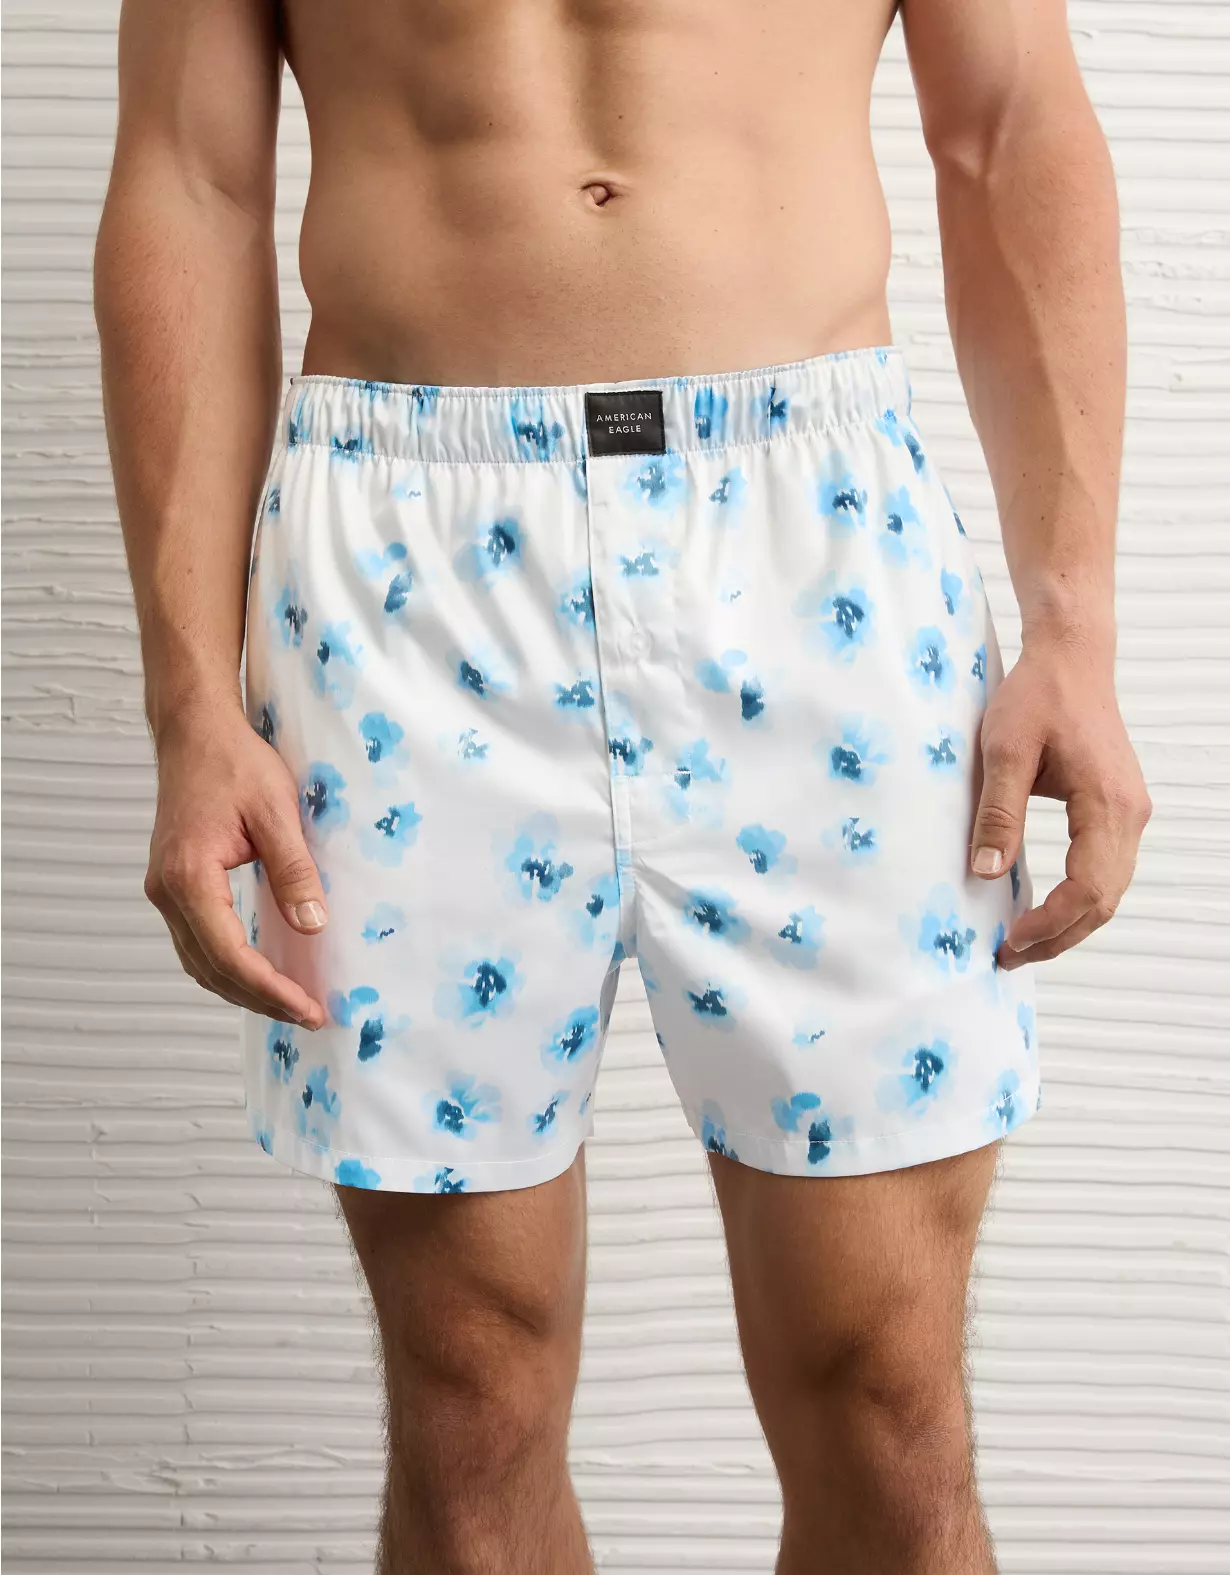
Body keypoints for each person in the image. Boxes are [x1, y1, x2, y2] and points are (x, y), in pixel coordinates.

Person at [94, 2, 1150, 1570]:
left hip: (812, 552)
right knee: (469, 1397)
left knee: (885, 1393)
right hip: (402, 571)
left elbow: (1006, 128)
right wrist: (188, 700)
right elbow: (191, 179)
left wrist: (1072, 622)